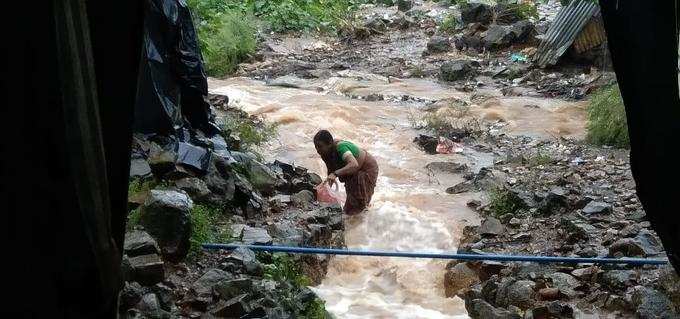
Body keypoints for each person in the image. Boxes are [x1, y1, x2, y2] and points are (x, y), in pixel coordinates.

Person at [314, 130, 379, 215]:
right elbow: (330, 170)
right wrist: (326, 187)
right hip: (352, 172)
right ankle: (355, 220)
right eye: (316, 147)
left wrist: (335, 174)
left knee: (359, 203)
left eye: (320, 146)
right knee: (351, 203)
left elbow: (354, 164)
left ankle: (363, 220)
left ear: (329, 143)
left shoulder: (341, 147)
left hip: (365, 169)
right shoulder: (324, 154)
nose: (317, 150)